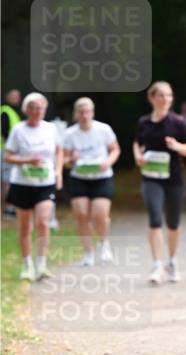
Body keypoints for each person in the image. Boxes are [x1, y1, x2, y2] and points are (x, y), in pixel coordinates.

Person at [133, 82, 186, 284]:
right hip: (151, 177)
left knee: (173, 223)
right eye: (160, 95)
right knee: (154, 217)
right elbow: (137, 143)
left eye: (168, 95)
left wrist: (177, 146)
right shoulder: (144, 122)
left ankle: (172, 260)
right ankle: (157, 264)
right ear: (152, 98)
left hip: (174, 178)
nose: (165, 99)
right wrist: (138, 157)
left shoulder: (179, 123)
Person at [3, 92, 63, 280]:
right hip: (22, 182)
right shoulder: (18, 130)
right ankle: (26, 264)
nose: (38, 111)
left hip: (45, 182)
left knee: (43, 221)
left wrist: (58, 171)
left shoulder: (51, 129)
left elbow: (59, 150)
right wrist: (27, 160)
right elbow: (8, 156)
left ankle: (41, 264)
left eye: (41, 108)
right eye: (34, 108)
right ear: (26, 110)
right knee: (25, 226)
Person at [63, 97, 120, 266]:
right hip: (79, 178)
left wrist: (108, 162)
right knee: (81, 215)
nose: (85, 115)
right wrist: (71, 159)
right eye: (81, 112)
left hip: (101, 177)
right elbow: (64, 160)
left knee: (99, 214)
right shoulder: (69, 134)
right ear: (76, 114)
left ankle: (104, 243)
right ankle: (88, 253)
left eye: (87, 111)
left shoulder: (104, 129)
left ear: (92, 112)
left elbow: (115, 149)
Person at [1, 88, 22, 216]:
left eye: (18, 96)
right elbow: (5, 132)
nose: (16, 99)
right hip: (5, 150)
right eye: (14, 96)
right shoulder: (5, 111)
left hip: (5, 150)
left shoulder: (12, 112)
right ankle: (8, 208)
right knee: (7, 180)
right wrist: (12, 148)